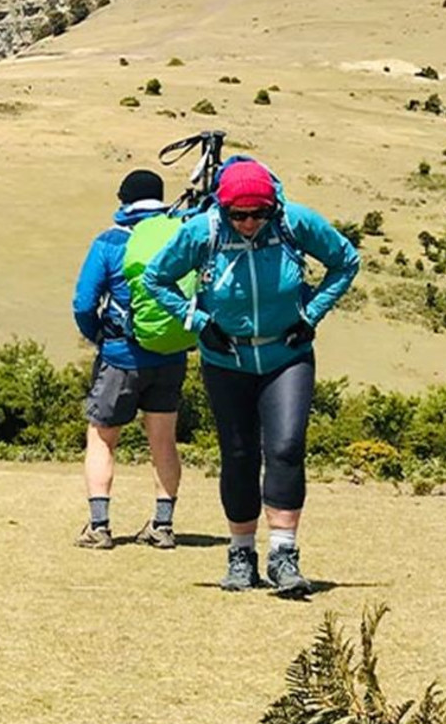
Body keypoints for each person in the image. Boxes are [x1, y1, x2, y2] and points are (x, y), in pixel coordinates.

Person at [142, 158, 360, 596]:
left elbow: (345, 262)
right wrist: (199, 321)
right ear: (223, 208)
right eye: (238, 215)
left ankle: (284, 557)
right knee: (238, 455)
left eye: (257, 214)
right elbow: (155, 278)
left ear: (272, 208)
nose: (247, 223)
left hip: (288, 353)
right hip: (227, 360)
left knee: (285, 447)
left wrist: (312, 313)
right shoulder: (201, 231)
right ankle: (241, 555)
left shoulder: (294, 223)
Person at [70, 169, 187, 549]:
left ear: (124, 200)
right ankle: (163, 526)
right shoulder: (179, 237)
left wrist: (99, 336)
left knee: (102, 439)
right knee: (164, 441)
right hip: (170, 355)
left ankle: (100, 526)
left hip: (120, 356)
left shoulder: (110, 242)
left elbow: (84, 302)